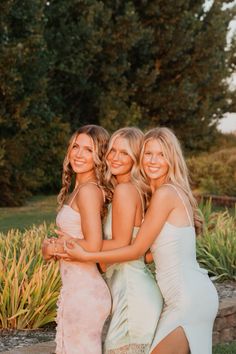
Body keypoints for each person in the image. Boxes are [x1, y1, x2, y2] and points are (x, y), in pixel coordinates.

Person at [61, 127, 219, 354]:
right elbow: (147, 253)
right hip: (185, 296)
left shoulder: (164, 194)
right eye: (149, 154)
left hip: (184, 298)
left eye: (161, 154)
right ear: (141, 157)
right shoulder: (158, 194)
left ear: (172, 159)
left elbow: (134, 250)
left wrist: (87, 254)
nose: (153, 161)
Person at [57, 127, 163, 354]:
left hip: (131, 296)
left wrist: (71, 246)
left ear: (135, 158)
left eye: (124, 153)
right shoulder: (121, 190)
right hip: (126, 290)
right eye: (112, 150)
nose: (115, 157)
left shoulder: (125, 190)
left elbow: (123, 245)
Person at [42, 125, 111, 354]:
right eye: (75, 146)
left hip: (86, 294)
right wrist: (51, 248)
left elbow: (93, 245)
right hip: (75, 290)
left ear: (99, 156)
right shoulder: (79, 189)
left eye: (88, 150)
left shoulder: (89, 191)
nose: (79, 154)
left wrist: (57, 246)